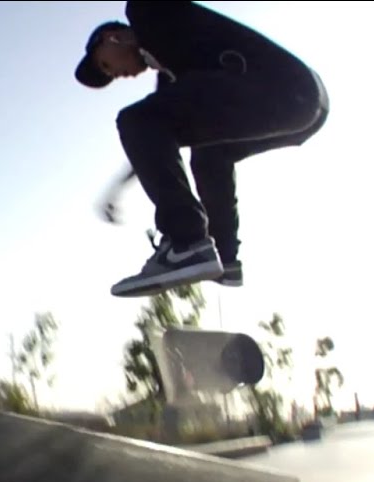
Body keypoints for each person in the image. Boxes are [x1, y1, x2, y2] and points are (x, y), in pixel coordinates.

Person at [75, 0, 330, 298]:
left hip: (280, 85)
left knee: (135, 119)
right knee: (209, 153)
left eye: (107, 65)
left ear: (112, 37)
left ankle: (186, 242)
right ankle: (225, 258)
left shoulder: (148, 11)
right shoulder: (169, 78)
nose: (116, 74)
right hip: (301, 105)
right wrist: (119, 187)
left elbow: (145, 127)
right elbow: (156, 141)